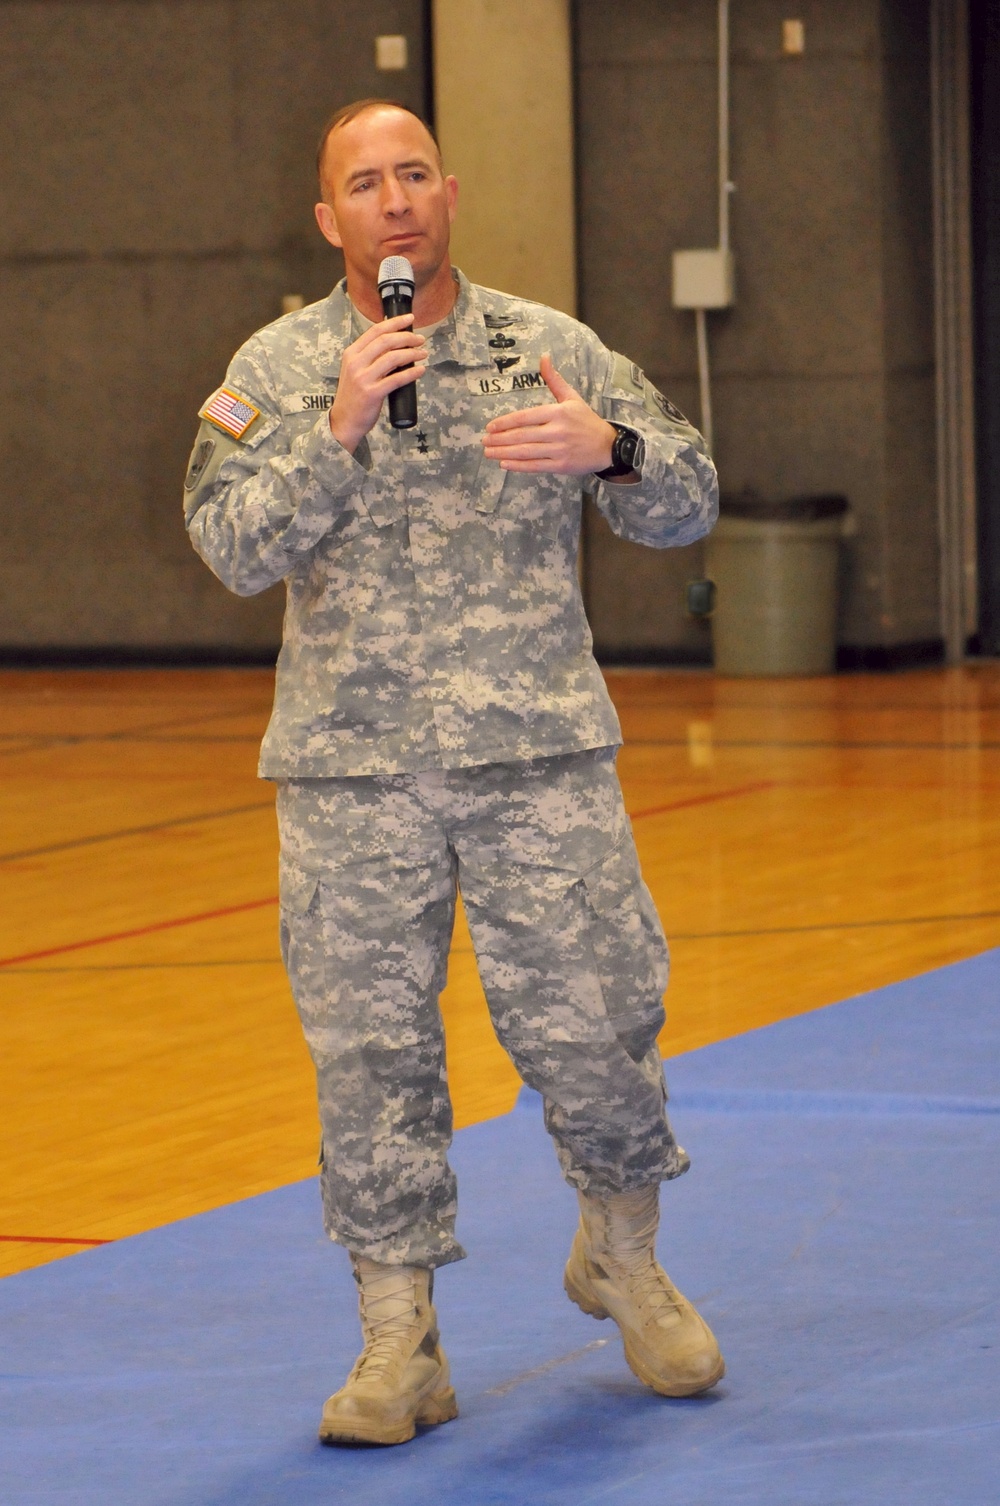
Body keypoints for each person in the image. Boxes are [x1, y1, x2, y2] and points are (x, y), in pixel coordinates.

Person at [184, 98, 723, 1448]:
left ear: (450, 192)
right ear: (331, 220)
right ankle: (397, 1337)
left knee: (598, 1024)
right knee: (371, 1059)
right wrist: (338, 426)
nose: (395, 199)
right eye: (364, 182)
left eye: (413, 172)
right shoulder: (281, 364)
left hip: (538, 755)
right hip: (352, 773)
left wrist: (611, 450)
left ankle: (623, 1254)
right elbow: (230, 543)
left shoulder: (547, 345)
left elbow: (692, 492)